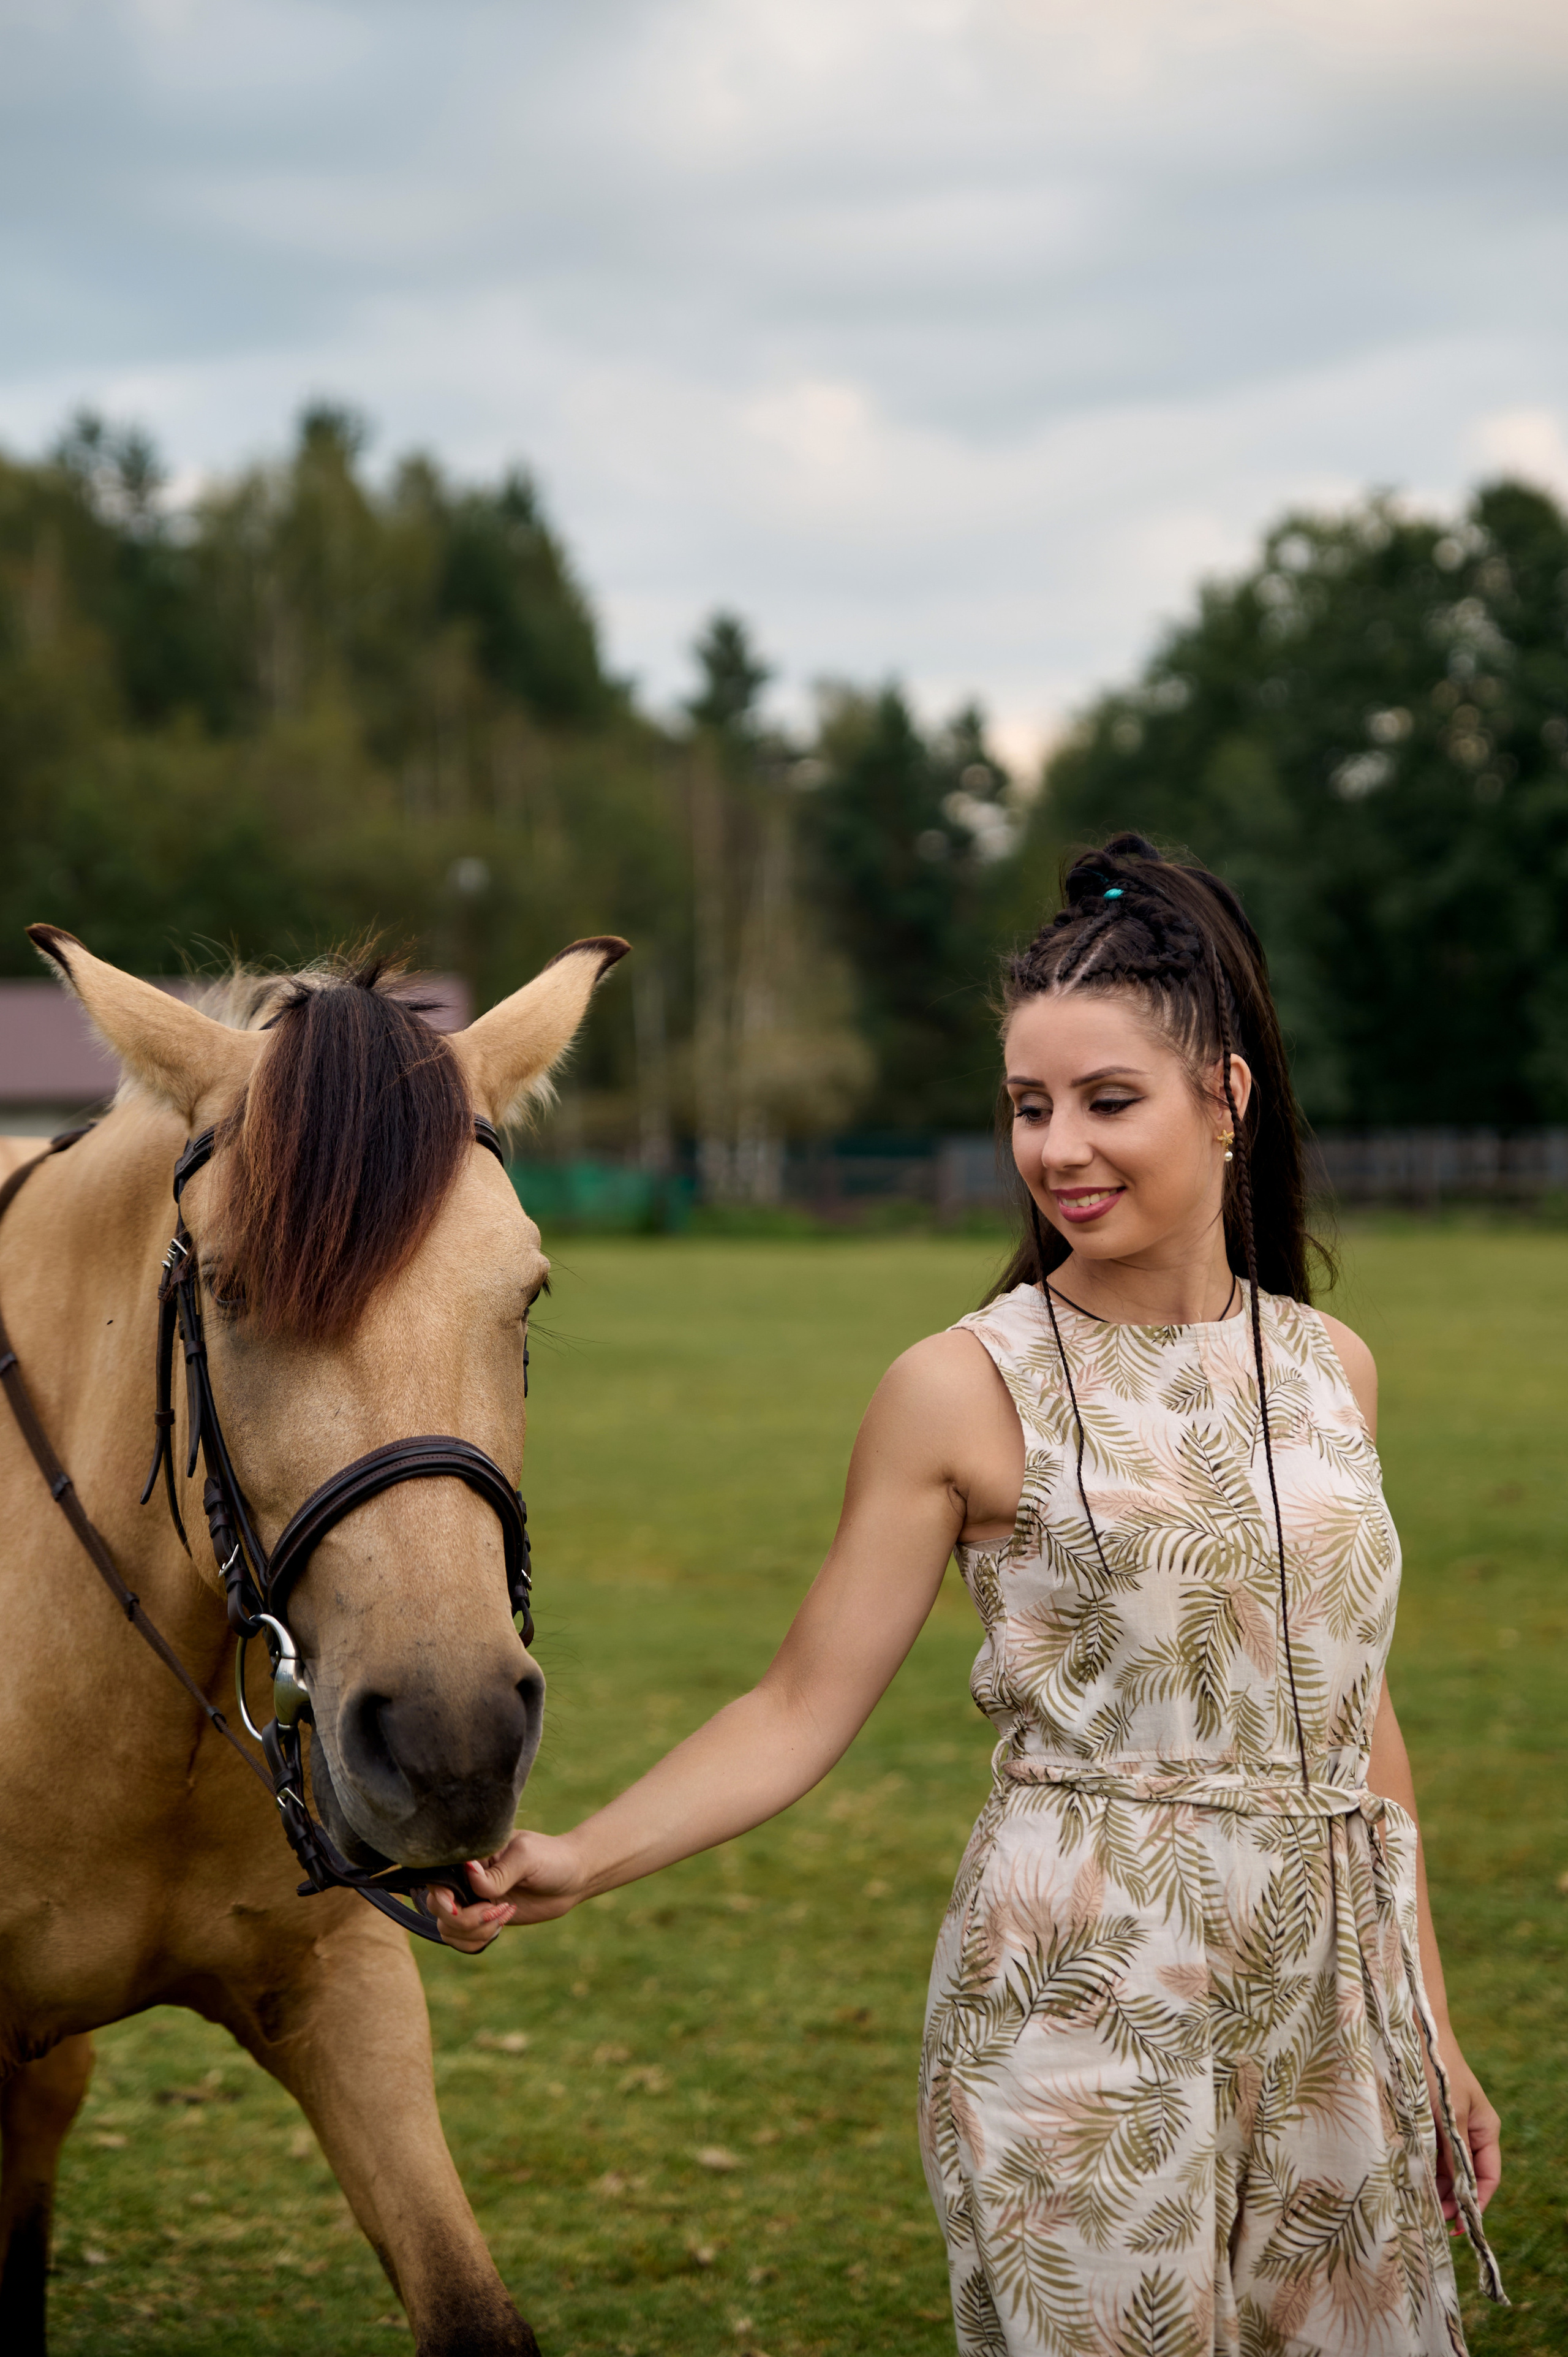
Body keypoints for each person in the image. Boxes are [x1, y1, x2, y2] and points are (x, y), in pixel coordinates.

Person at [433, 833, 1504, 2356]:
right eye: (1027, 1105)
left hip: (1334, 2015)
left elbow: (1352, 1722)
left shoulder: (1331, 1371)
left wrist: (1429, 2031)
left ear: (1229, 1096)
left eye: (1106, 1100)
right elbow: (798, 1703)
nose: (1057, 1147)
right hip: (1086, 2001)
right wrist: (579, 1859)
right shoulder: (958, 1388)